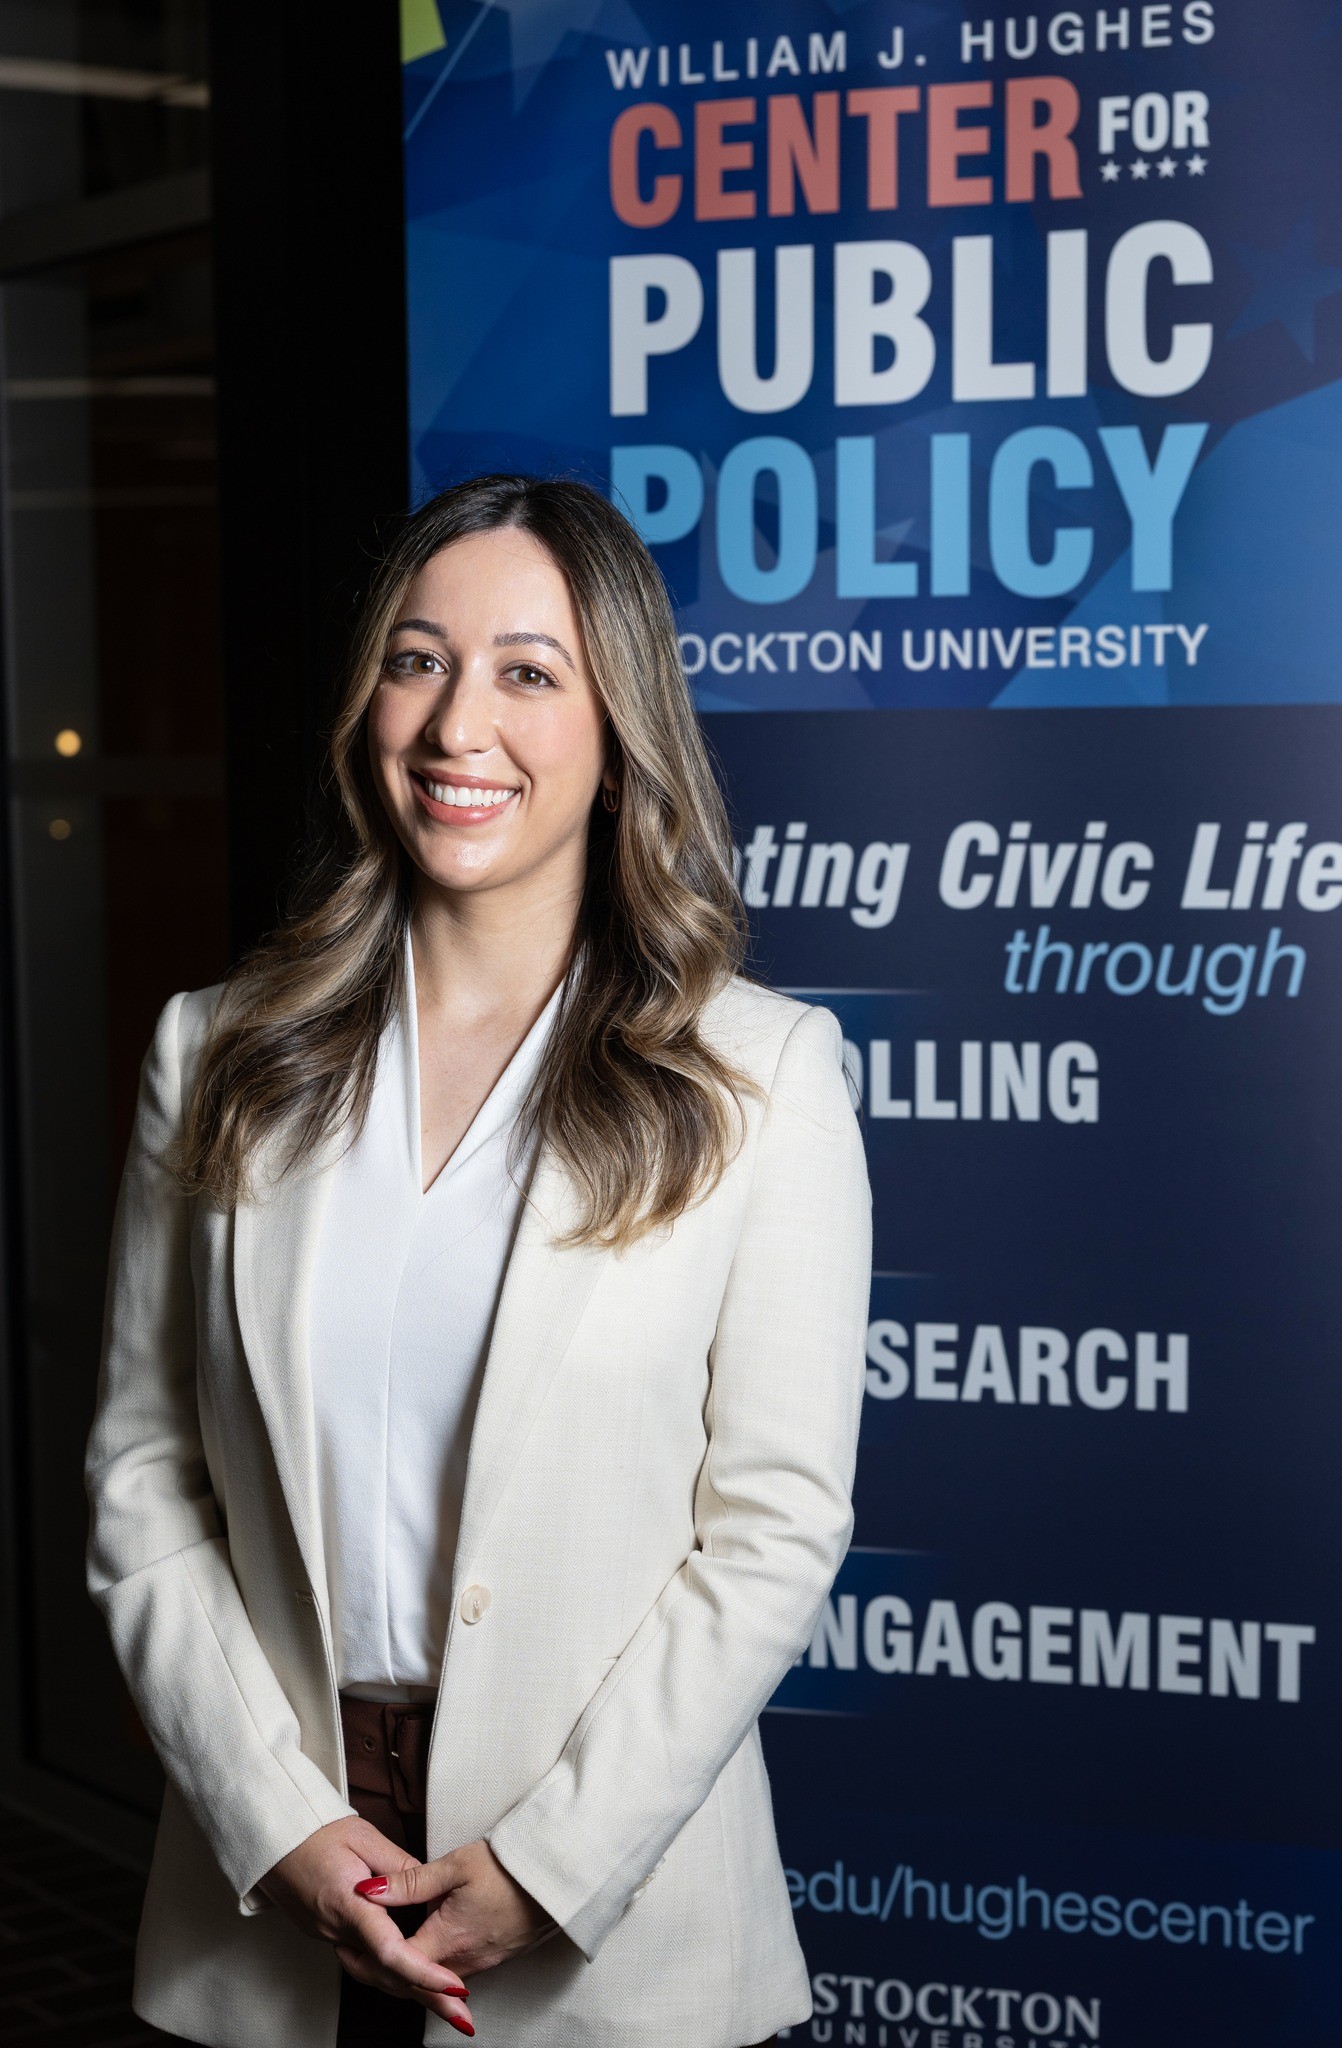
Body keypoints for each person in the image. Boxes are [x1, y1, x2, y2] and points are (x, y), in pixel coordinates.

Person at [84, 473, 873, 2048]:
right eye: (417, 659)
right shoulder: (219, 1049)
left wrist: (548, 1863)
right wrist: (275, 1819)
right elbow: (143, 1470)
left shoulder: (759, 1074)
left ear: (618, 727)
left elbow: (772, 1528)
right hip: (277, 1885)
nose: (457, 727)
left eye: (528, 671)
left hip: (604, 1914)